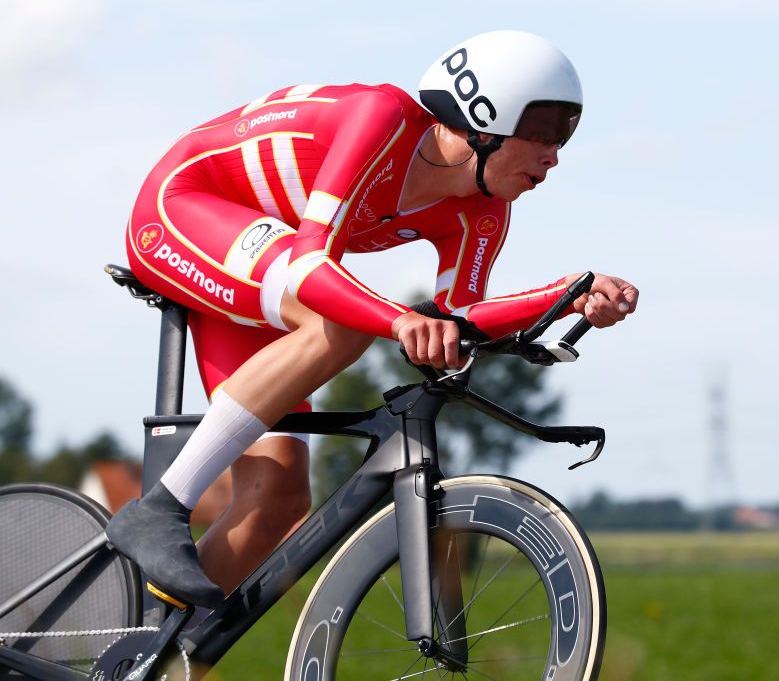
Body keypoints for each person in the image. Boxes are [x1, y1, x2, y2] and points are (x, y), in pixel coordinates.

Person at [106, 30, 639, 608]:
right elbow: (313, 262)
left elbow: (457, 319)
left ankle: (153, 660)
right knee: (345, 325)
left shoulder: (483, 209)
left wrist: (568, 295)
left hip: (267, 264)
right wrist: (399, 321)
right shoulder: (381, 118)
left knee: (277, 501)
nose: (553, 155)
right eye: (542, 133)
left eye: (565, 136)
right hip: (185, 207)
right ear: (483, 120)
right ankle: (159, 508)